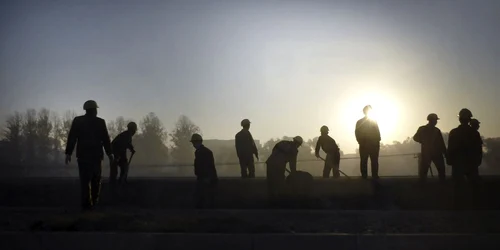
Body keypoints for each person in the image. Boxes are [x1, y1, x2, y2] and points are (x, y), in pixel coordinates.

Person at [65, 100, 113, 211]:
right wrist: (110, 153)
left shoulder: (78, 121)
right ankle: (94, 203)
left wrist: (68, 153)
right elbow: (106, 139)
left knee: (85, 181)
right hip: (96, 156)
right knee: (96, 180)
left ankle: (86, 204)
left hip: (83, 156)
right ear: (95, 110)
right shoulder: (100, 122)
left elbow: (72, 137)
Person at [447, 108, 483, 207]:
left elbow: (450, 148)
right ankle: (476, 207)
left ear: (460, 119)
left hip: (458, 163)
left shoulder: (454, 132)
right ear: (469, 119)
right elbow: (478, 149)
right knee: (474, 185)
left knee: (457, 186)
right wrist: (478, 160)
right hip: (471, 163)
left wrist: (449, 160)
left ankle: (458, 207)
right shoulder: (474, 133)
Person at [265, 136, 303, 201]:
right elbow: (292, 164)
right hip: (279, 166)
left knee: (271, 182)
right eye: (299, 145)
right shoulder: (294, 150)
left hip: (270, 163)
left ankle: (270, 200)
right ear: (298, 144)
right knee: (280, 182)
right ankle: (279, 200)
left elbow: (273, 150)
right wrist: (294, 173)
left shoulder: (282, 143)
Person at [413, 113, 447, 182]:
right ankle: (442, 186)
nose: (436, 122)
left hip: (426, 153)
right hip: (436, 154)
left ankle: (422, 187)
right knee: (441, 171)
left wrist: (423, 141)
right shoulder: (436, 131)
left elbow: (415, 138)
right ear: (433, 120)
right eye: (435, 120)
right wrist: (445, 153)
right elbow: (441, 144)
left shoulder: (422, 129)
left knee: (423, 172)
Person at [190, 133, 218, 209]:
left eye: (194, 142)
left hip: (205, 178)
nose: (193, 144)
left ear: (197, 142)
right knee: (204, 197)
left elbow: (208, 166)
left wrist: (207, 178)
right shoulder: (203, 151)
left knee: (204, 197)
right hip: (204, 177)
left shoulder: (203, 152)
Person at [355, 105, 381, 179]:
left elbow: (357, 133)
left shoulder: (360, 122)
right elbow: (377, 133)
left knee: (365, 161)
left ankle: (365, 176)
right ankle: (373, 175)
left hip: (367, 144)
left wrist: (360, 142)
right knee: (372, 160)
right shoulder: (373, 121)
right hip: (371, 144)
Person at [110, 122, 137, 187]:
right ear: (133, 129)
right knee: (124, 166)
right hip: (117, 151)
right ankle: (120, 180)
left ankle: (118, 180)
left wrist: (131, 149)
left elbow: (127, 144)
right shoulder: (127, 135)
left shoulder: (126, 134)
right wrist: (131, 149)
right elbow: (127, 143)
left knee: (121, 165)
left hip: (117, 151)